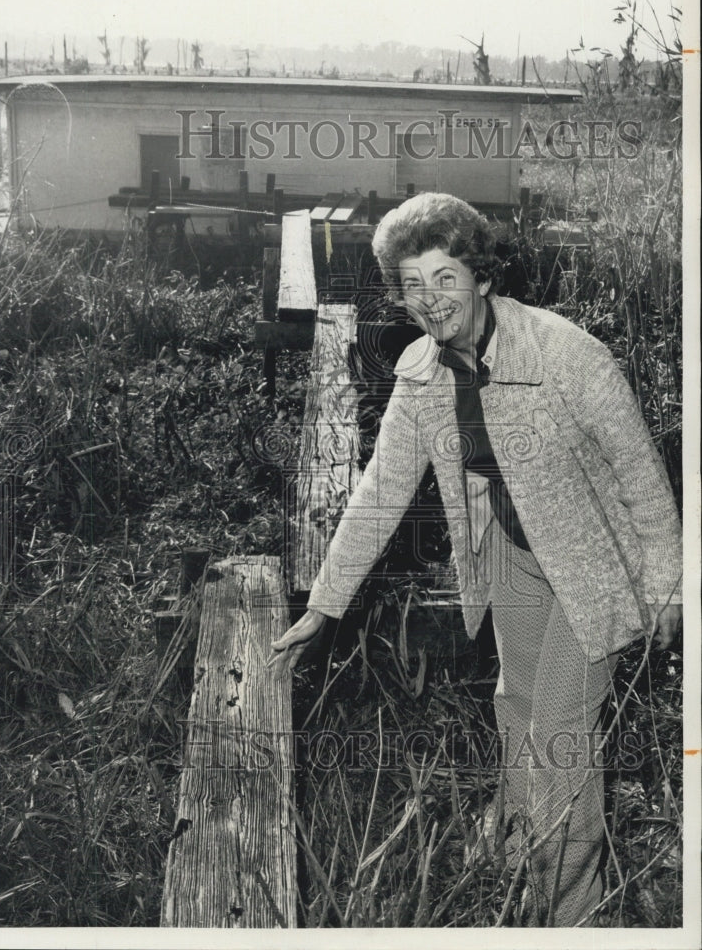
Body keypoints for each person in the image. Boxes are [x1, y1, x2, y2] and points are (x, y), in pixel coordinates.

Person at [269, 192, 683, 926]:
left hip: (594, 566)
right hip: (513, 555)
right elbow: (381, 490)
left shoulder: (564, 354)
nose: (430, 301)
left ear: (481, 277)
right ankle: (527, 859)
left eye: (445, 279)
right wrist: (323, 604)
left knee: (559, 738)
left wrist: (670, 588)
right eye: (412, 285)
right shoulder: (421, 370)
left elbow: (641, 479)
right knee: (515, 708)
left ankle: (570, 914)